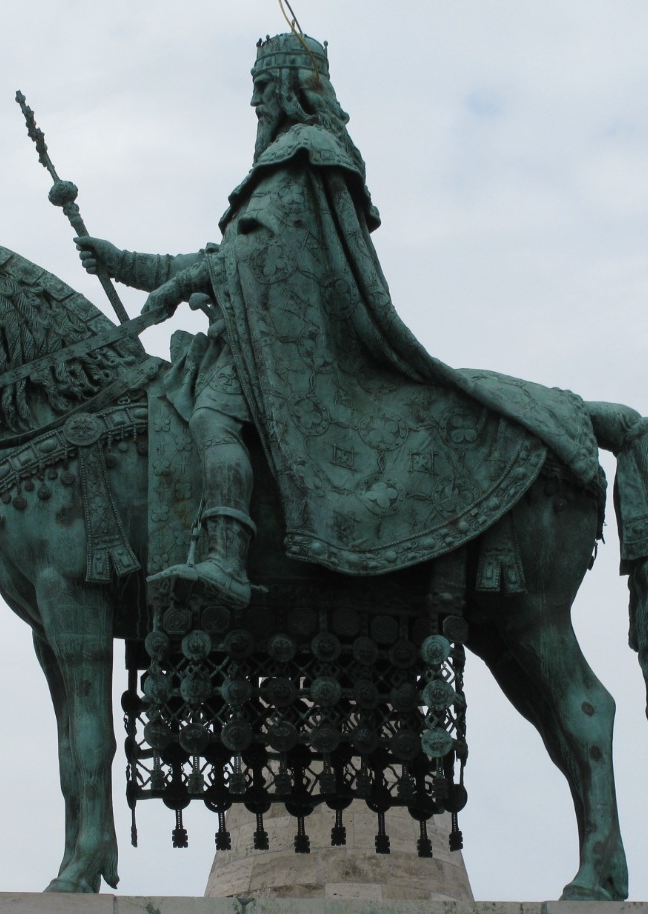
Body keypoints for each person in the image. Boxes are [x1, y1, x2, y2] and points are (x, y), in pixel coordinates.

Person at [78, 32, 600, 608]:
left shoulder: (305, 153)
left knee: (212, 420)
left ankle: (225, 558)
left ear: (290, 88)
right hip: (253, 339)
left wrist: (183, 285)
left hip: (288, 350)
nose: (254, 101)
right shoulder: (283, 164)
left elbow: (260, 255)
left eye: (262, 86)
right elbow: (224, 256)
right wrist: (120, 261)